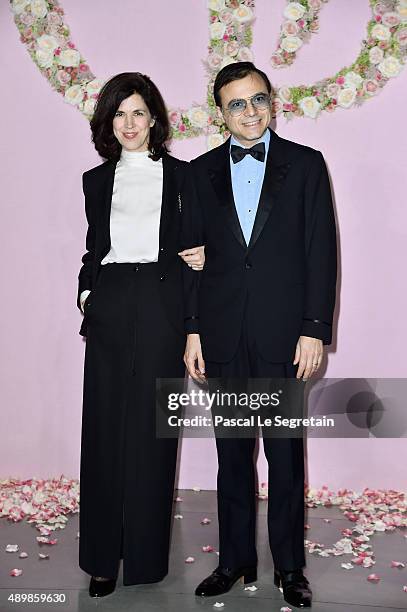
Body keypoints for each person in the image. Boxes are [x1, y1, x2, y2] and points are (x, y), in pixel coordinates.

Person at [184, 62, 337, 608]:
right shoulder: (198, 173)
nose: (250, 112)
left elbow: (321, 252)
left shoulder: (306, 165)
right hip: (223, 335)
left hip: (283, 337)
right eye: (237, 104)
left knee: (286, 457)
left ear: (272, 101)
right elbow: (191, 261)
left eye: (258, 100)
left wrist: (314, 330)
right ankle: (233, 560)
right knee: (231, 458)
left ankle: (290, 568)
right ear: (219, 113)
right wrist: (194, 329)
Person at [77, 72, 204, 598]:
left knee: (155, 432)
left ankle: (147, 560)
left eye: (137, 113)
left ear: (154, 118)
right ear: (109, 122)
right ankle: (103, 559)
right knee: (103, 431)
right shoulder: (95, 180)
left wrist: (192, 325)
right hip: (110, 303)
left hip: (161, 304)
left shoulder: (184, 176)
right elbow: (94, 247)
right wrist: (87, 292)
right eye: (118, 114)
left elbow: (197, 251)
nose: (128, 124)